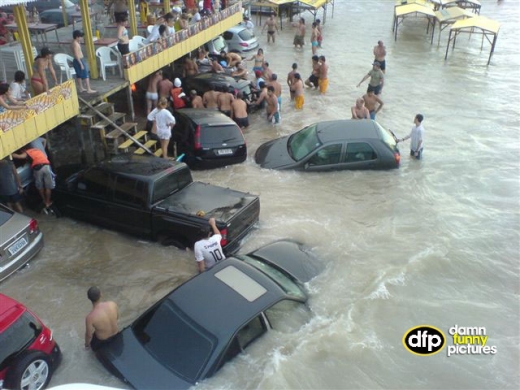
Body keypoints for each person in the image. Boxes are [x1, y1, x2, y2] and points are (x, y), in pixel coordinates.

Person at [84, 286, 119, 352]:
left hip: (102, 342)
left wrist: (87, 345)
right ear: (101, 294)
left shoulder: (90, 317)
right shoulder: (112, 304)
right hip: (116, 335)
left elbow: (89, 335)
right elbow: (117, 318)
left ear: (89, 298)